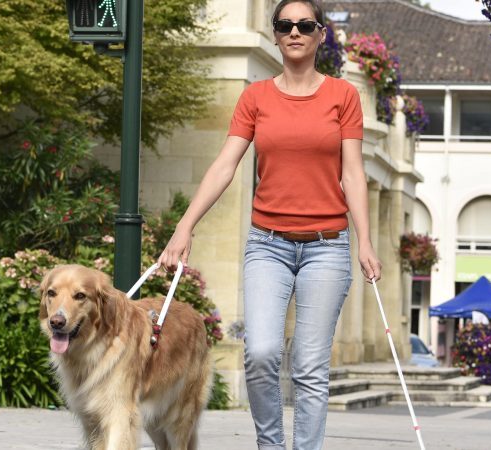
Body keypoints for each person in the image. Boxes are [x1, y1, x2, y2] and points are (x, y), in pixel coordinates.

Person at [156, 1, 381, 448]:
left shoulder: (343, 96)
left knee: (310, 366)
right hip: (268, 246)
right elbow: (225, 165)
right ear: (275, 35)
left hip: (328, 246)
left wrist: (366, 241)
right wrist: (185, 226)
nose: (294, 32)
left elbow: (353, 173)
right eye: (284, 25)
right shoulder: (255, 97)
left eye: (304, 25)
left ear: (320, 35)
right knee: (260, 354)